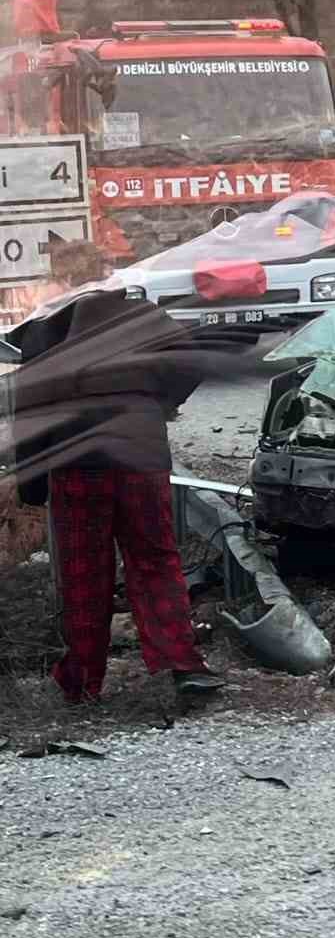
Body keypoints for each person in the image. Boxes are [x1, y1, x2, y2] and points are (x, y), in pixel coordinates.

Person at [10, 251, 254, 703]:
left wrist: (32, 481)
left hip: (79, 463)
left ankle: (82, 682)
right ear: (107, 276)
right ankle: (183, 663)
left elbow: (30, 408)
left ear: (62, 279)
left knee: (86, 570)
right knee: (156, 559)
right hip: (141, 456)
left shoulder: (45, 329)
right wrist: (160, 401)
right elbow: (192, 361)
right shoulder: (142, 315)